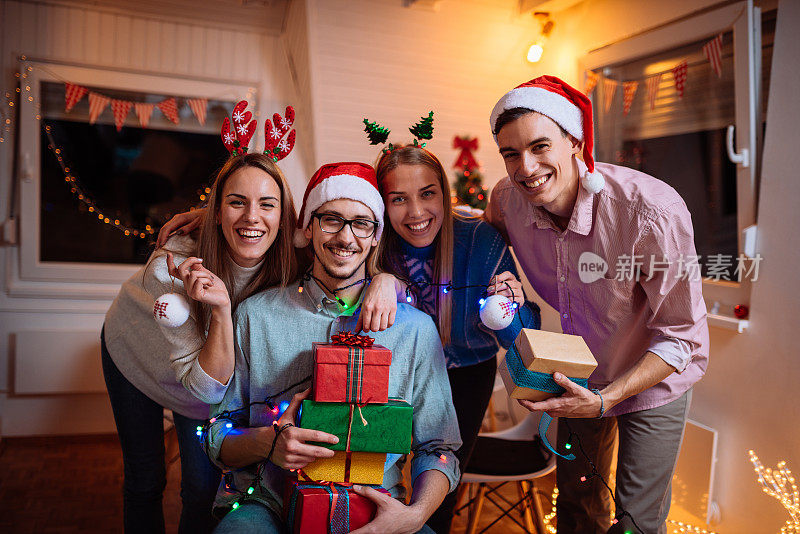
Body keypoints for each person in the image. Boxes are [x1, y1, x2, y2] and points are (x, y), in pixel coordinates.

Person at [485, 75, 709, 533]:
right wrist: (499, 277)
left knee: (634, 521)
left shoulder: (652, 212)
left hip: (653, 377)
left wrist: (606, 399)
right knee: (576, 504)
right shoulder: (508, 201)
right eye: (511, 153)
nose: (525, 167)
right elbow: (485, 242)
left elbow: (681, 337)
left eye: (540, 146)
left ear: (574, 142)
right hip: (577, 372)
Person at [203, 162, 462, 534]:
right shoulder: (256, 316)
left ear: (376, 236)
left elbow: (439, 447)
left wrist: (415, 515)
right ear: (307, 228)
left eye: (361, 223)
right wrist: (269, 444)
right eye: (331, 220)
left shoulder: (415, 330)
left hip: (376, 508)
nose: (346, 237)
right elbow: (217, 434)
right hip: (269, 503)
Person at [102, 151, 298, 533]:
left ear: (284, 217)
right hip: (135, 355)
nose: (252, 217)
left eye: (266, 205)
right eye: (236, 202)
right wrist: (222, 311)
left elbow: (350, 235)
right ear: (218, 210)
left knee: (201, 491)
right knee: (145, 479)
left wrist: (386, 282)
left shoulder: (293, 259)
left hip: (205, 376)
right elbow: (207, 389)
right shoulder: (173, 267)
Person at [361, 144, 541, 533]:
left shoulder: (480, 240)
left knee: (438, 488)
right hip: (390, 375)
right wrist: (381, 277)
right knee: (369, 480)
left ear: (444, 191)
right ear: (382, 203)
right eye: (398, 199)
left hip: (466, 374)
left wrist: (508, 311)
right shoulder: (372, 241)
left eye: (428, 193)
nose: (416, 212)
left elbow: (523, 340)